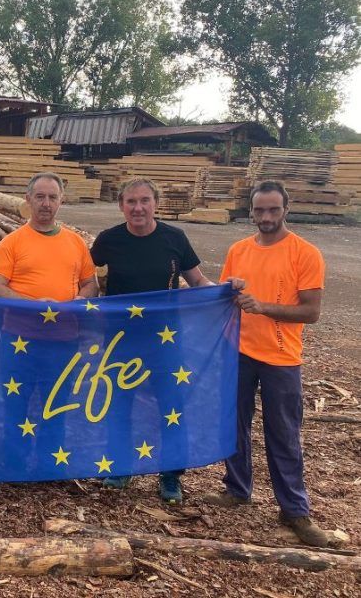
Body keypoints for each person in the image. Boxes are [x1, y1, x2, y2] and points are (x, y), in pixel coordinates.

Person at [204, 180, 332, 547]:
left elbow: (312, 312)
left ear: (286, 210)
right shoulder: (239, 249)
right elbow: (228, 294)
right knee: (234, 425)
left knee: (284, 434)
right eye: (260, 210)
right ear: (251, 210)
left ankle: (294, 510)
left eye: (273, 210)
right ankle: (237, 490)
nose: (266, 217)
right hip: (238, 353)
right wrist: (230, 288)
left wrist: (263, 307)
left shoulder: (304, 253)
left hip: (281, 358)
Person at [90, 177, 215, 504]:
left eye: (144, 200)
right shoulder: (108, 240)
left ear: (155, 204)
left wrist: (225, 292)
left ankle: (171, 476)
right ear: (121, 206)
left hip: (165, 341)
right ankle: (119, 467)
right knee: (119, 407)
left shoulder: (175, 238)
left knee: (171, 408)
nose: (138, 207)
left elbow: (197, 279)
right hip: (120, 342)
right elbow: (85, 278)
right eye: (131, 202)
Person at [0, 172, 97, 301]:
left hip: (65, 319)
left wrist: (81, 298)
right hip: (22, 320)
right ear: (28, 199)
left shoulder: (77, 242)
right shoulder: (11, 242)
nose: (46, 204)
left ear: (61, 201)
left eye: (52, 197)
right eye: (40, 197)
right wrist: (33, 305)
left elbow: (91, 284)